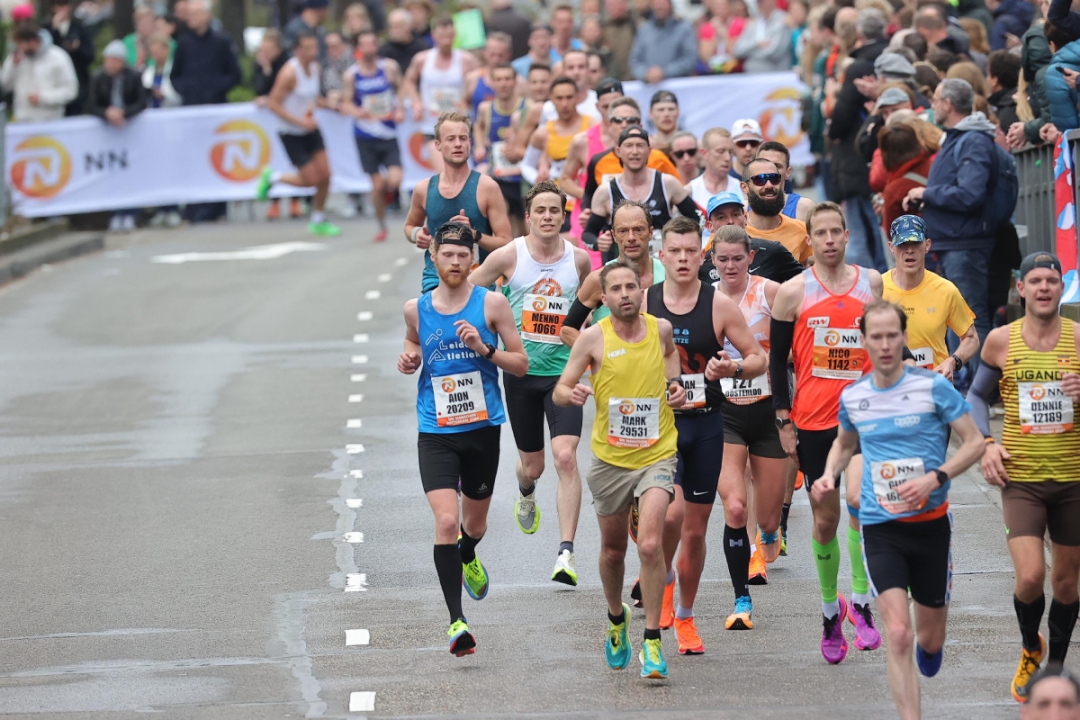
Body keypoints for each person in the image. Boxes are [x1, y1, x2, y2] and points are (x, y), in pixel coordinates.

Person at [813, 300, 985, 720]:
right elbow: (843, 443)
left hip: (930, 526)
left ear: (904, 338)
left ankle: (933, 646)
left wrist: (936, 478)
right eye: (877, 336)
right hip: (880, 526)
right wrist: (829, 474)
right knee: (899, 633)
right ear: (864, 341)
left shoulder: (932, 387)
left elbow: (976, 442)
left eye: (893, 335)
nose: (886, 344)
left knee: (927, 638)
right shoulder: (855, 396)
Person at [397, 221, 529, 657]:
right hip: (435, 431)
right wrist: (409, 357)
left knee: (472, 525)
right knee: (447, 522)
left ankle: (467, 553)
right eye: (447, 255)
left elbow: (521, 365)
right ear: (433, 257)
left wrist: (485, 349)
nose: (455, 262)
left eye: (462, 255)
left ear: (473, 259)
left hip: (482, 428)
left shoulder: (491, 305)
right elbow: (413, 342)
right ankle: (457, 621)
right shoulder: (415, 308)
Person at [553, 261, 686, 680]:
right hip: (610, 461)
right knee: (614, 552)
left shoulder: (660, 330)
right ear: (605, 298)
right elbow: (560, 389)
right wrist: (570, 393)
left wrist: (676, 387)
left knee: (649, 545)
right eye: (617, 289)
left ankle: (652, 641)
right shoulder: (594, 338)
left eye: (633, 286)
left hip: (657, 454)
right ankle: (616, 618)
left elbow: (672, 365)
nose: (626, 293)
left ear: (642, 291)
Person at [770, 201, 883, 665]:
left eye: (838, 231)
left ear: (846, 236)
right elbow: (778, 362)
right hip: (813, 421)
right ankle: (828, 611)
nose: (831, 239)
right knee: (824, 520)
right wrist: (783, 421)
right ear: (810, 240)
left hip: (862, 418)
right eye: (822, 233)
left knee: (858, 504)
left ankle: (860, 602)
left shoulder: (872, 284)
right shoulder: (793, 293)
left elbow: (885, 344)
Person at [649, 218, 767, 652]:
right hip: (659, 429)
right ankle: (660, 582)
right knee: (671, 516)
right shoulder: (645, 302)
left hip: (706, 425)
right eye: (674, 251)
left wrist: (730, 368)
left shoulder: (718, 305)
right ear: (661, 256)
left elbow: (757, 358)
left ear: (703, 257)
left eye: (690, 251)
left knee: (695, 531)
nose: (683, 258)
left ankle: (684, 616)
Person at [968, 252, 1080, 703]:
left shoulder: (1077, 339)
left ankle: (1054, 668)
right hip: (1023, 479)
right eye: (1035, 280)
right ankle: (1031, 645)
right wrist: (986, 444)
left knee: (1067, 583)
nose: (1044, 288)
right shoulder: (1000, 340)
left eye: (1052, 280)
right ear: (1021, 288)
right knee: (1032, 576)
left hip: (1073, 478)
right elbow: (976, 396)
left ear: (1061, 287)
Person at [469, 182, 592, 584]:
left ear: (564, 215)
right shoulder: (510, 255)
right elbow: (472, 289)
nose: (547, 217)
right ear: (529, 215)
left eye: (554, 211)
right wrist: (488, 329)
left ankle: (566, 555)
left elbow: (592, 308)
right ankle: (525, 490)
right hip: (522, 374)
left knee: (565, 457)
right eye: (540, 210)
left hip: (564, 374)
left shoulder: (579, 260)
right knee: (535, 467)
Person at [710, 223, 790, 628]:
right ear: (712, 260)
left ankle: (769, 536)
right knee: (736, 505)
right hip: (724, 413)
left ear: (750, 258)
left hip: (767, 410)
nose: (730, 266)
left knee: (769, 519)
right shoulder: (705, 301)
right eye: (722, 259)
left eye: (737, 258)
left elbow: (794, 343)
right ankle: (741, 600)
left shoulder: (769, 293)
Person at [904, 78, 999, 360]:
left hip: (964, 245)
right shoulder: (957, 138)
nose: (932, 106)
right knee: (952, 321)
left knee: (970, 321)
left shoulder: (973, 141)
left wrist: (928, 193)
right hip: (952, 243)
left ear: (947, 104)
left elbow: (970, 194)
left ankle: (978, 393)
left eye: (934, 100)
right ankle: (961, 386)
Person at [405, 112, 513, 293]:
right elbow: (409, 226)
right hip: (435, 280)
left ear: (470, 143)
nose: (457, 144)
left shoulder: (487, 187)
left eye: (463, 138)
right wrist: (417, 234)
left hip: (477, 280)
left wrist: (474, 235)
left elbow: (506, 242)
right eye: (450, 139)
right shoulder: (424, 189)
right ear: (438, 145)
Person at [255, 32, 340, 239]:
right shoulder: (289, 73)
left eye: (315, 47)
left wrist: (329, 105)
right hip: (291, 131)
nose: (314, 52)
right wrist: (299, 121)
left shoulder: (314, 68)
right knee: (311, 179)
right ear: (297, 51)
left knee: (326, 175)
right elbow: (273, 104)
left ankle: (318, 219)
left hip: (310, 128)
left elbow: (312, 98)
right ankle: (273, 177)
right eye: (309, 48)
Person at [882, 215, 979, 375]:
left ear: (927, 245)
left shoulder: (945, 290)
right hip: (891, 389)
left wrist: (952, 361)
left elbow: (971, 338)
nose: (909, 250)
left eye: (915, 243)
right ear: (891, 247)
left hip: (933, 388)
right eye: (903, 244)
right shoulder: (877, 289)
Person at [584, 127, 699, 261]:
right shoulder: (605, 192)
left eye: (640, 146)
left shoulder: (668, 183)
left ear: (649, 151)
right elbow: (588, 234)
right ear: (618, 151)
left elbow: (698, 220)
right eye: (628, 146)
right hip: (623, 271)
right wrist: (598, 243)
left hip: (662, 267)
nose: (635, 151)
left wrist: (682, 240)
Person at [563, 201, 667, 345]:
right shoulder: (599, 279)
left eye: (638, 229)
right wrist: (597, 354)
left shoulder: (669, 275)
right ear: (614, 235)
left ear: (650, 233)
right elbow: (567, 329)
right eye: (623, 231)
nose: (631, 237)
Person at [342, 30, 405, 243]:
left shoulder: (388, 67)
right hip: (365, 134)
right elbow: (347, 101)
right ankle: (381, 223)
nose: (369, 48)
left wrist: (400, 109)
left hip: (387, 132)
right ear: (358, 48)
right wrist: (356, 111)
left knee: (395, 179)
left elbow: (401, 89)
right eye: (364, 45)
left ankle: (385, 195)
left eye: (372, 43)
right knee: (376, 185)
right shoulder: (352, 74)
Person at [580, 99, 681, 221]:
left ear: (640, 126)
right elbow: (589, 194)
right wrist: (587, 212)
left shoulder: (658, 158)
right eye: (618, 120)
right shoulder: (598, 161)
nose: (624, 125)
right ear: (609, 125)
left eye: (631, 120)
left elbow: (681, 192)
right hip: (612, 234)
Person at [403, 17, 480, 171]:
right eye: (441, 36)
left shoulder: (466, 59)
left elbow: (479, 83)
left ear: (455, 35)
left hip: (460, 126)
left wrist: (466, 98)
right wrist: (416, 102)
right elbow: (408, 81)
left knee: (462, 174)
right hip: (432, 125)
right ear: (433, 36)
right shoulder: (422, 59)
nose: (445, 40)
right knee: (445, 172)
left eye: (449, 36)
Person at [88, 39, 148, 233]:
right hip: (109, 135)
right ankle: (115, 213)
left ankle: (131, 212)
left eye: (114, 60)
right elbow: (90, 104)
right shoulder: (98, 78)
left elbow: (141, 102)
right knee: (112, 175)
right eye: (108, 60)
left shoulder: (133, 77)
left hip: (130, 131)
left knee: (132, 173)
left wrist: (125, 114)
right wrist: (107, 113)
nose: (110, 64)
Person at [521, 76, 594, 224]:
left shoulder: (592, 127)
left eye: (569, 97)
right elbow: (526, 164)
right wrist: (538, 180)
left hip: (585, 198)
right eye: (559, 98)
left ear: (578, 97)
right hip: (557, 202)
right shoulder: (543, 133)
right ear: (551, 99)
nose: (565, 104)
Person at [699, 192, 803, 286]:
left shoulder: (772, 251)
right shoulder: (701, 265)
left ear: (745, 219)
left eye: (735, 215)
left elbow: (805, 283)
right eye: (721, 217)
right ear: (710, 226)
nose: (730, 221)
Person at [474, 64, 526, 238]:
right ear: (492, 83)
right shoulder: (486, 109)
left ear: (514, 82)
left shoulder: (527, 107)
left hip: (523, 177)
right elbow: (478, 127)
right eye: (498, 79)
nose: (503, 84)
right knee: (505, 224)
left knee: (525, 228)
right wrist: (480, 146)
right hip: (500, 176)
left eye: (507, 79)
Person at [0, 21, 78, 123]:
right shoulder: (16, 57)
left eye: (21, 44)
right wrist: (13, 66)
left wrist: (43, 98)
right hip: (22, 121)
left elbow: (71, 91)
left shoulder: (58, 57)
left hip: (50, 121)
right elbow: (5, 86)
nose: (19, 48)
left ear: (32, 41)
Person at [742, 158, 811, 266]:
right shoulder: (731, 231)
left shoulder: (801, 230)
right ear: (745, 187)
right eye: (760, 180)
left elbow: (803, 270)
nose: (769, 185)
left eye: (774, 179)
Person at [43, 0, 93, 116]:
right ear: (54, 8)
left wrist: (77, 49)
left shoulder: (80, 27)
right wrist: (55, 30)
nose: (62, 9)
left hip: (79, 80)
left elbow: (90, 55)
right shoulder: (46, 27)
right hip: (53, 82)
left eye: (65, 5)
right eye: (59, 5)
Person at [630, 0, 698, 82]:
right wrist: (645, 74)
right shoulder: (644, 30)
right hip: (649, 87)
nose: (659, 7)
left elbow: (690, 59)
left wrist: (664, 72)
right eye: (656, 3)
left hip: (678, 85)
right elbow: (635, 61)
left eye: (662, 3)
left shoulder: (684, 29)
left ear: (670, 5)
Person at [686, 129, 747, 211]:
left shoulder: (744, 191)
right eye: (721, 151)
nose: (728, 158)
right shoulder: (689, 192)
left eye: (731, 152)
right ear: (704, 153)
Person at [756, 141, 814, 222]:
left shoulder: (803, 207)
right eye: (765, 165)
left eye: (777, 166)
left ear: (788, 172)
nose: (770, 170)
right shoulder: (744, 209)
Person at [732, 0, 792, 73]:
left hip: (775, 76)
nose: (759, 4)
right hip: (751, 75)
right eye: (757, 2)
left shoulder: (783, 20)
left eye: (762, 1)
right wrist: (757, 44)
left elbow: (774, 52)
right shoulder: (753, 23)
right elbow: (737, 50)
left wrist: (749, 56)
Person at [464, 33, 513, 121]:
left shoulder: (519, 82)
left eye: (500, 55)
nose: (496, 60)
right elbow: (463, 101)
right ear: (484, 53)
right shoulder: (472, 78)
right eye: (492, 55)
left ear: (508, 54)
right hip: (478, 131)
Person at [380, 8, 430, 73]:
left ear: (409, 25)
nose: (396, 31)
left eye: (400, 26)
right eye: (392, 26)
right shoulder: (383, 51)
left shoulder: (422, 47)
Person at [603, 0, 637, 81]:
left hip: (634, 78)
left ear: (624, 5)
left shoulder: (636, 25)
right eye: (609, 5)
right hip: (613, 78)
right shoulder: (605, 29)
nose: (611, 8)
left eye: (614, 5)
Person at [321, 32, 353, 108]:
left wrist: (340, 95)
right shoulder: (324, 65)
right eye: (328, 47)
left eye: (334, 46)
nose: (331, 50)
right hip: (331, 108)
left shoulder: (356, 62)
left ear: (345, 45)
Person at [122, 4, 157, 70]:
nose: (145, 25)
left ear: (154, 23)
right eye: (141, 22)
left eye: (148, 22)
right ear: (136, 24)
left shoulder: (162, 41)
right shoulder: (127, 41)